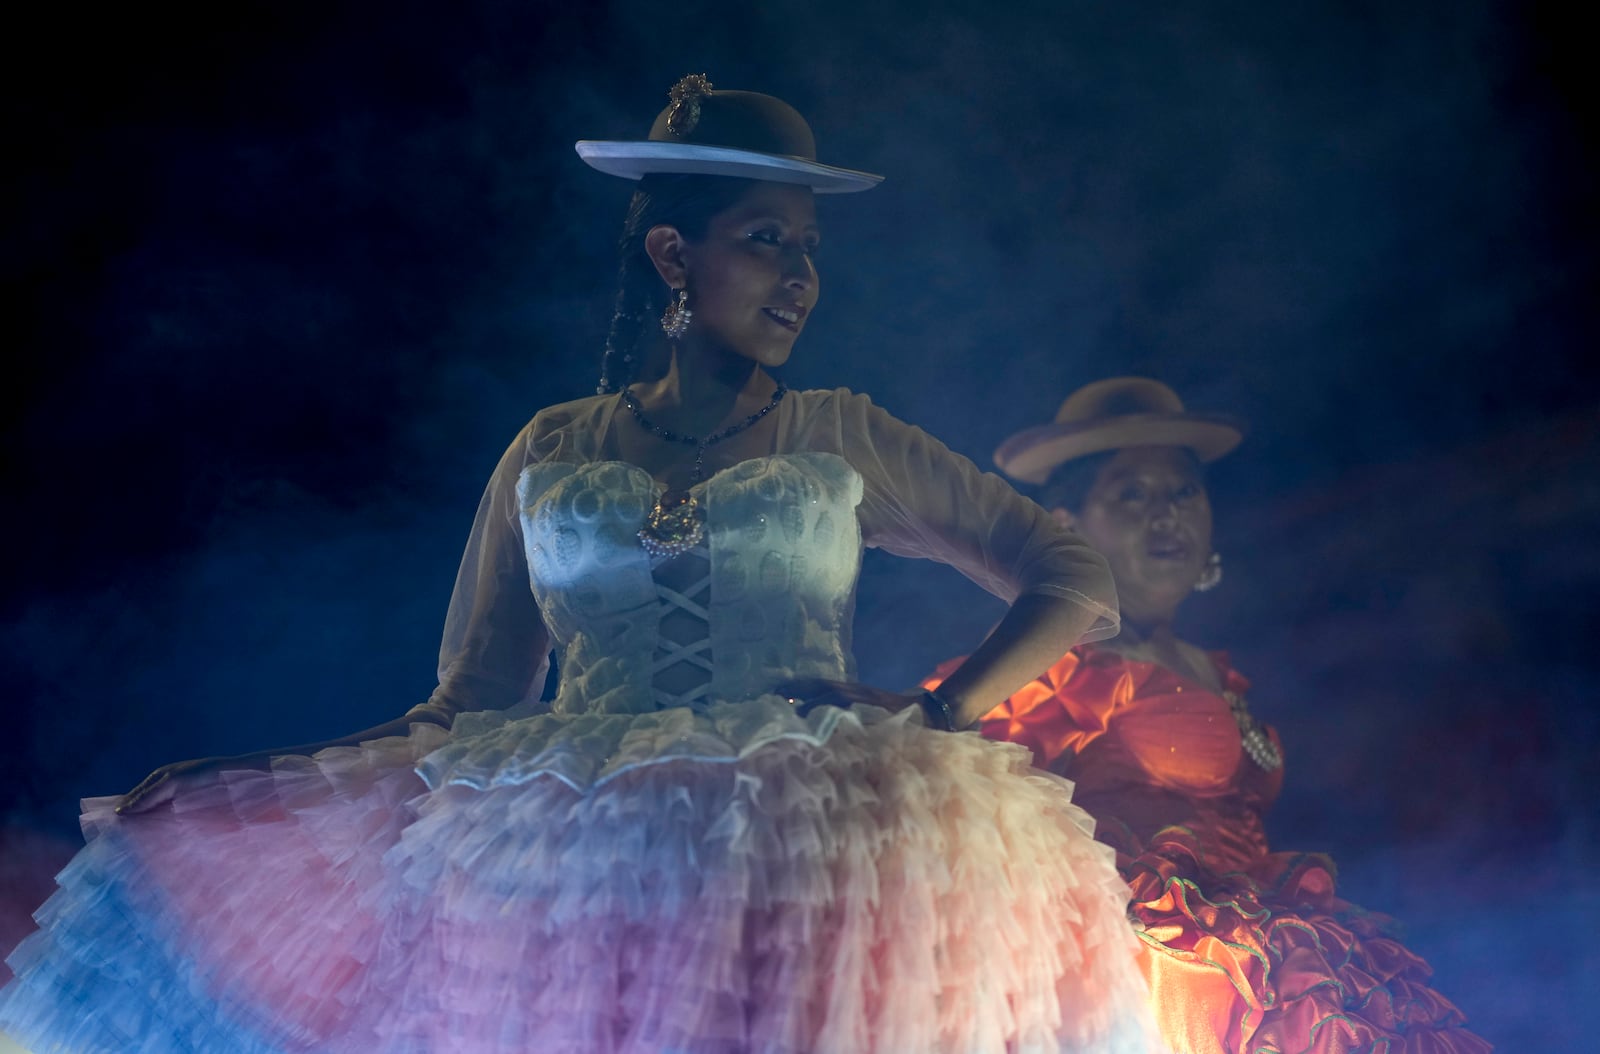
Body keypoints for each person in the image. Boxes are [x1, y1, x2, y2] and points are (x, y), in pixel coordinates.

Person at [0, 78, 1159, 1054]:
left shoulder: (843, 432)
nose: (800, 277)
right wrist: (239, 790)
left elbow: (1069, 572)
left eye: (808, 249)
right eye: (766, 241)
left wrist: (943, 707)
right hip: (570, 862)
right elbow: (470, 701)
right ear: (671, 251)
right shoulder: (551, 446)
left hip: (809, 844)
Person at [931, 377, 1490, 1053]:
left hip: (1277, 958)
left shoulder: (1217, 670)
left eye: (1182, 492)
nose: (1165, 515)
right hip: (1161, 977)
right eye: (1130, 495)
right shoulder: (1056, 672)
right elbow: (945, 765)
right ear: (1066, 527)